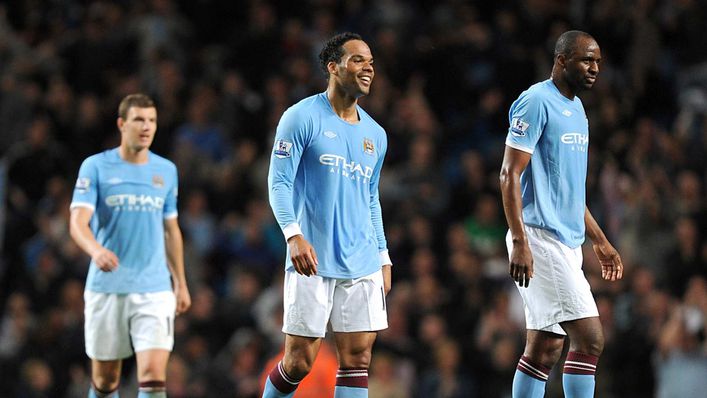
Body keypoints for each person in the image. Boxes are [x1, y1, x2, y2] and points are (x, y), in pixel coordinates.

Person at [263, 32, 392, 398]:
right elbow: (279, 182)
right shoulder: (300, 117)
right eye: (357, 60)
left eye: (370, 61)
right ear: (333, 67)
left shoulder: (376, 134)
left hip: (362, 259)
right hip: (313, 258)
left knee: (358, 359)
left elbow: (371, 197)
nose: (368, 67)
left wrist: (383, 256)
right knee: (300, 361)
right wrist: (293, 234)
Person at [499, 31, 624, 398]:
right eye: (587, 60)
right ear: (562, 60)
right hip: (538, 237)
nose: (595, 68)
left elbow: (570, 191)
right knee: (589, 339)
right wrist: (520, 240)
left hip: (565, 242)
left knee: (545, 348)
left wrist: (599, 240)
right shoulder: (536, 102)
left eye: (598, 61)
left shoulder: (578, 110)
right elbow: (509, 173)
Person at [69, 93, 191, 398]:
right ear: (122, 124)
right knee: (106, 380)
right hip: (108, 288)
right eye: (139, 119)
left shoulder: (166, 171)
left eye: (151, 120)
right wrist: (96, 250)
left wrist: (181, 282)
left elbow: (171, 230)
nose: (146, 126)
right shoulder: (95, 167)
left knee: (152, 377)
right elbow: (77, 222)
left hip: (154, 288)